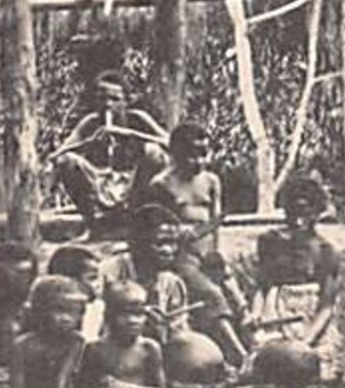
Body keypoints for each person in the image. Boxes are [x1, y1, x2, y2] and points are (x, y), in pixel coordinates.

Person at [137, 123, 246, 365]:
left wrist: (217, 256)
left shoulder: (211, 181)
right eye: (191, 154)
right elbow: (157, 229)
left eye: (203, 154)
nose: (198, 161)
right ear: (175, 154)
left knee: (236, 293)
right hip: (181, 257)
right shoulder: (161, 184)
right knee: (212, 294)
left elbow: (215, 221)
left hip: (206, 251)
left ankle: (250, 345)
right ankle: (240, 355)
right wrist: (180, 235)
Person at [50, 69, 170, 238]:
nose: (108, 104)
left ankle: (138, 224)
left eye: (115, 99)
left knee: (154, 152)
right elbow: (57, 155)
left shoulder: (137, 118)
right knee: (67, 161)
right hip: (101, 182)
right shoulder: (90, 122)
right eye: (102, 98)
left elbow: (172, 144)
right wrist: (88, 141)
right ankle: (93, 225)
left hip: (133, 183)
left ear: (126, 102)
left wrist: (131, 134)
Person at [248, 176, 341, 352]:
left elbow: (326, 306)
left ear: (317, 213)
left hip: (310, 318)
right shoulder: (270, 241)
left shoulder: (326, 250)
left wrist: (306, 341)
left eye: (306, 214)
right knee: (267, 357)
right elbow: (262, 287)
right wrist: (256, 313)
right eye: (294, 213)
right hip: (275, 313)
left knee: (313, 362)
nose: (299, 222)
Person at [9, 276, 91, 388]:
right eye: (59, 310)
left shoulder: (75, 342)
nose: (66, 318)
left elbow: (60, 383)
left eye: (73, 312)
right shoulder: (23, 345)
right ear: (40, 310)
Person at [100, 204, 195, 343]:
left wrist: (165, 329)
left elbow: (179, 334)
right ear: (137, 242)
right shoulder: (108, 273)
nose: (168, 250)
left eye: (174, 243)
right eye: (160, 243)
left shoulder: (172, 284)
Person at [45, 245, 105, 340]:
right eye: (92, 278)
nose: (99, 284)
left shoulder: (99, 311)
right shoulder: (51, 317)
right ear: (69, 281)